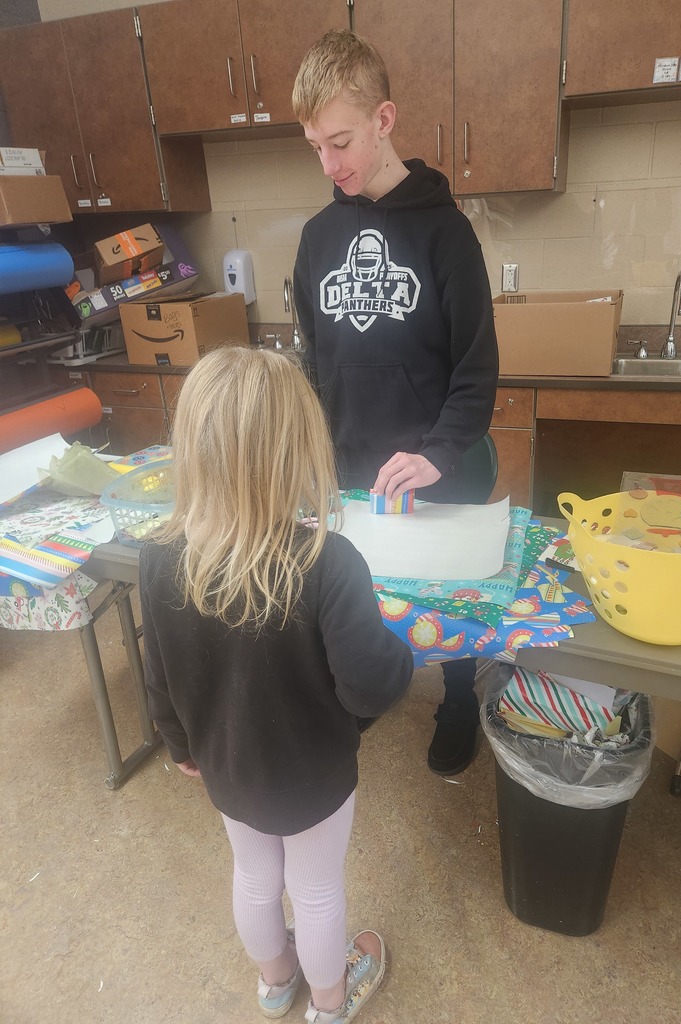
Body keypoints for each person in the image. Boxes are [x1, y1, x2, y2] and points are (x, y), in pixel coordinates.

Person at [139, 346, 413, 1024]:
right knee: (316, 892)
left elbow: (159, 676)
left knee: (254, 876)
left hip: (225, 767)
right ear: (297, 453)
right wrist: (401, 655)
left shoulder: (156, 558)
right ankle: (327, 1004)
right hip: (312, 772)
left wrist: (180, 748)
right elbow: (371, 687)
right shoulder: (328, 562)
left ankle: (274, 984)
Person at [292, 29, 499, 777]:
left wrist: (438, 453)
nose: (329, 163)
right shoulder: (317, 240)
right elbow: (315, 365)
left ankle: (456, 700)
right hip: (350, 471)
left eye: (340, 140)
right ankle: (362, 693)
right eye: (315, 145)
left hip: (433, 467)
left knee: (447, 606)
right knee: (356, 597)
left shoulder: (448, 234)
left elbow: (478, 373)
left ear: (384, 120)